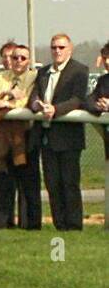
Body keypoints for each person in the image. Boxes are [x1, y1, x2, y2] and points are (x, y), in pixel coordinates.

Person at [29, 33, 90, 230]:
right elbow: (34, 94)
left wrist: (56, 110)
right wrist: (37, 105)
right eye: (54, 47)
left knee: (69, 183)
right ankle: (59, 225)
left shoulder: (79, 70)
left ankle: (73, 225)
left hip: (68, 137)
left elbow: (77, 99)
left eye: (61, 47)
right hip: (46, 136)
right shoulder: (44, 71)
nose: (57, 51)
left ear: (69, 49)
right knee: (52, 184)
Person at [0, 42, 39, 228]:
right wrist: (8, 94)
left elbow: (27, 101)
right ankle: (0, 224)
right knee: (4, 182)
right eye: (15, 58)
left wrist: (7, 102)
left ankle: (31, 225)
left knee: (28, 183)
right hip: (2, 136)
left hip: (26, 136)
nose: (18, 61)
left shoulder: (35, 77)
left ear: (29, 60)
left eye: (23, 58)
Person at [87, 42, 109, 231]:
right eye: (105, 57)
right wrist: (99, 106)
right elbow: (89, 100)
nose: (107, 61)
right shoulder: (103, 81)